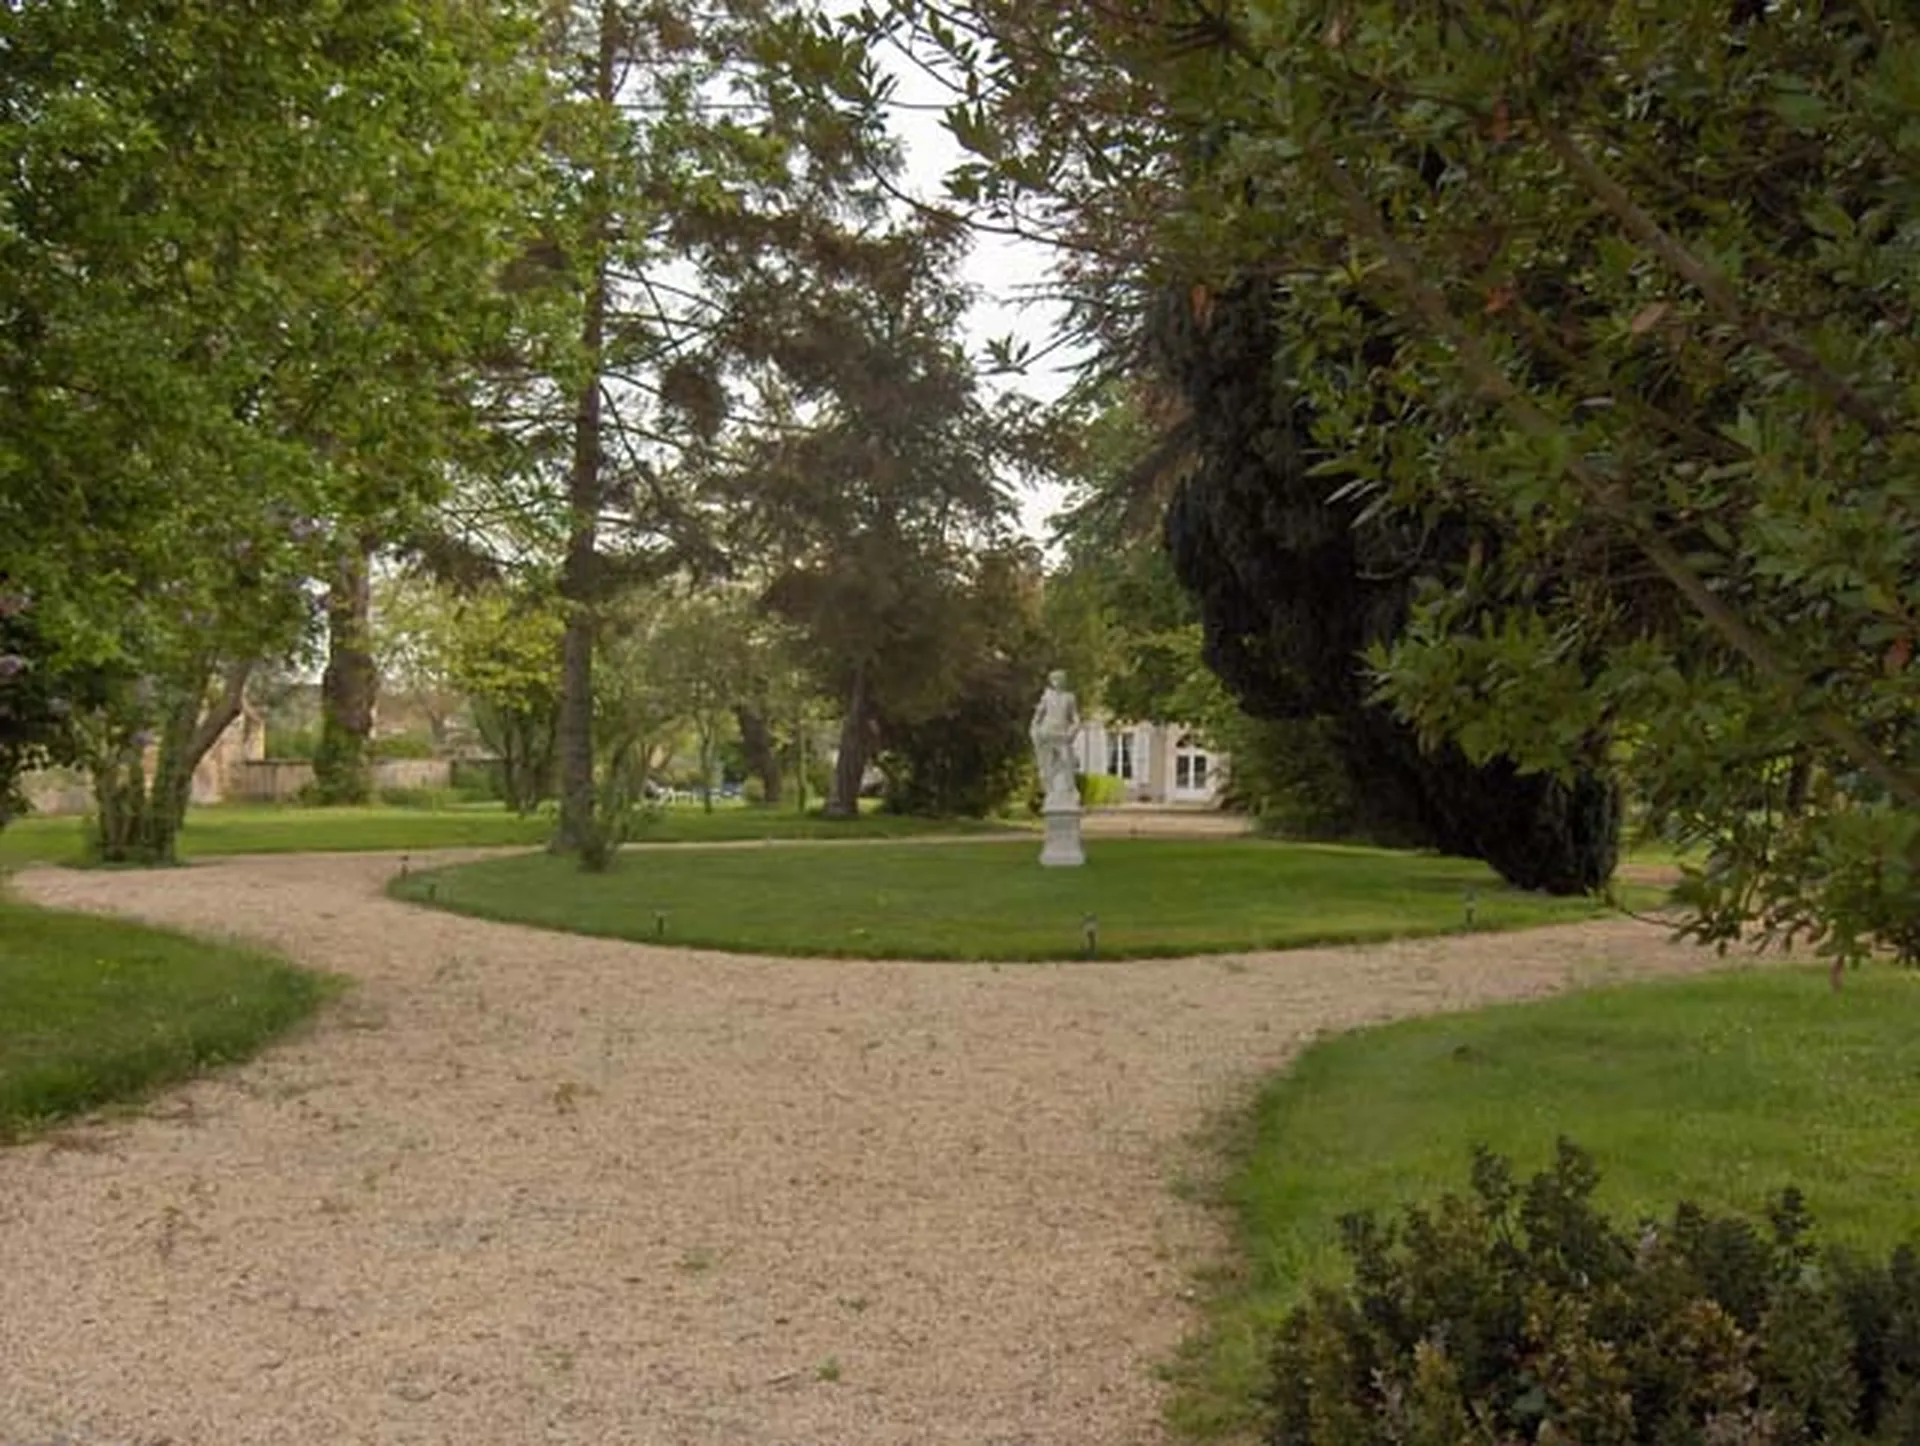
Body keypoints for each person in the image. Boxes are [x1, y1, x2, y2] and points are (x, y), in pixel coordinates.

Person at [1030, 669, 1082, 806]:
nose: (1057, 682)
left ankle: (1071, 792)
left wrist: (1073, 731)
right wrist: (1035, 731)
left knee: (1067, 763)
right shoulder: (1047, 697)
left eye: (1060, 679)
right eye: (1055, 679)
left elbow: (1075, 718)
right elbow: (1037, 717)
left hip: (1063, 735)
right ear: (1051, 682)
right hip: (1047, 733)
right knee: (1047, 765)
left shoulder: (1069, 697)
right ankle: (1050, 793)